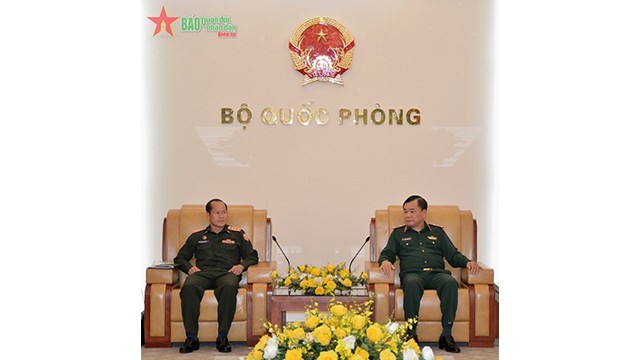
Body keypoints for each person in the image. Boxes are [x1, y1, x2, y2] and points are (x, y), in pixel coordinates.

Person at [378, 195, 480, 353]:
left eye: (412, 211)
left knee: (450, 282)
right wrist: (385, 261)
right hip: (412, 274)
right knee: (411, 283)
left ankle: (446, 336)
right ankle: (411, 334)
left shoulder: (438, 232)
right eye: (405, 211)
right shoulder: (398, 234)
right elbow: (387, 254)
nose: (407, 215)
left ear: (424, 213)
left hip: (436, 274)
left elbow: (453, 255)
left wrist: (467, 262)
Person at [173, 198, 259, 353]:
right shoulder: (197, 236)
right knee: (189, 286)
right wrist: (189, 268)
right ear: (208, 215)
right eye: (217, 213)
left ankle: (222, 337)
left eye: (224, 212)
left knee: (228, 287)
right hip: (203, 273)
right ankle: (191, 338)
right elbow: (180, 258)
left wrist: (241, 266)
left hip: (227, 273)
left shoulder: (237, 234)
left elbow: (252, 256)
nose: (222, 216)